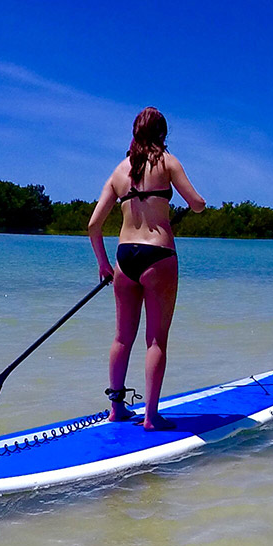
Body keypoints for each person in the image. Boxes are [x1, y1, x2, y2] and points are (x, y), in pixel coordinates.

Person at [88, 106, 210, 430]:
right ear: (162, 134)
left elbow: (93, 225)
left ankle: (116, 409)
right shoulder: (169, 162)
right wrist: (200, 203)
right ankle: (151, 417)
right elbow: (196, 204)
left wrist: (103, 264)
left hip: (124, 258)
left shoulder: (117, 172)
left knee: (121, 338)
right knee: (156, 340)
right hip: (158, 256)